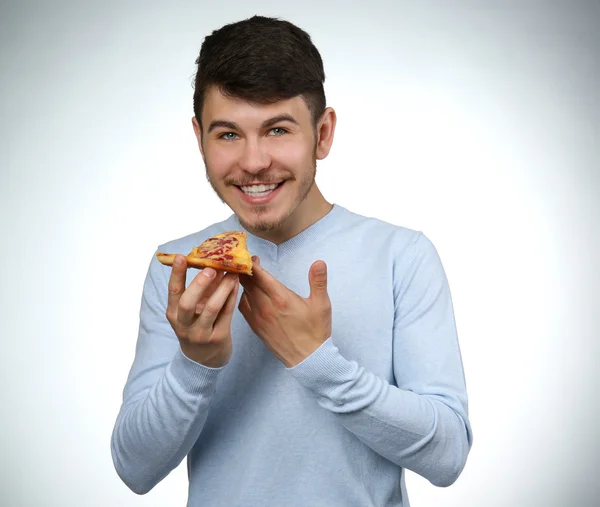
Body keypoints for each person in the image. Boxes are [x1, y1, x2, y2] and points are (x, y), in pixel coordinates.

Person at [111, 15, 473, 506]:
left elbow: (448, 456)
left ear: (322, 134)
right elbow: (135, 469)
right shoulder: (178, 270)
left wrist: (319, 364)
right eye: (228, 135)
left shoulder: (401, 257)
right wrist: (194, 364)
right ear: (199, 138)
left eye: (278, 129)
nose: (255, 161)